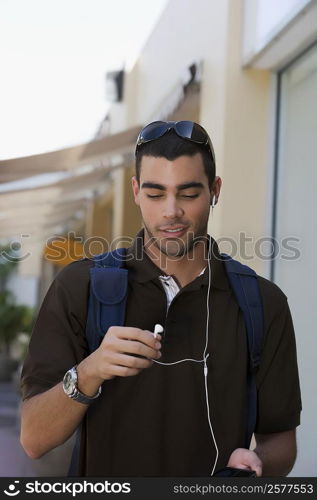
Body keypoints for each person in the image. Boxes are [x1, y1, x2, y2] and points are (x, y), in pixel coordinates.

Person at [20, 120, 301, 477]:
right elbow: (34, 439)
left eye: (188, 193)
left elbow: (280, 439)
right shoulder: (79, 286)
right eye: (155, 194)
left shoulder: (263, 302)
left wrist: (253, 471)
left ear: (215, 190)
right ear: (136, 191)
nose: (171, 211)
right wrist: (90, 371)